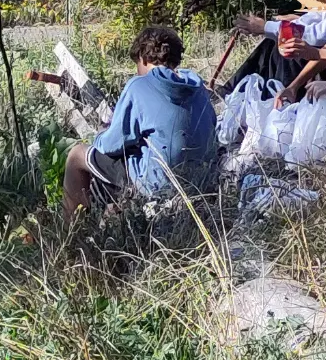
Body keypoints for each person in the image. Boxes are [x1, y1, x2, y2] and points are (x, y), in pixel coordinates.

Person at [63, 25, 219, 225]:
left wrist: (101, 134)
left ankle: (71, 230)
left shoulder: (139, 85)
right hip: (199, 180)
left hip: (155, 183)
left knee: (77, 155)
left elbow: (111, 144)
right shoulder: (198, 87)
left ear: (143, 59)